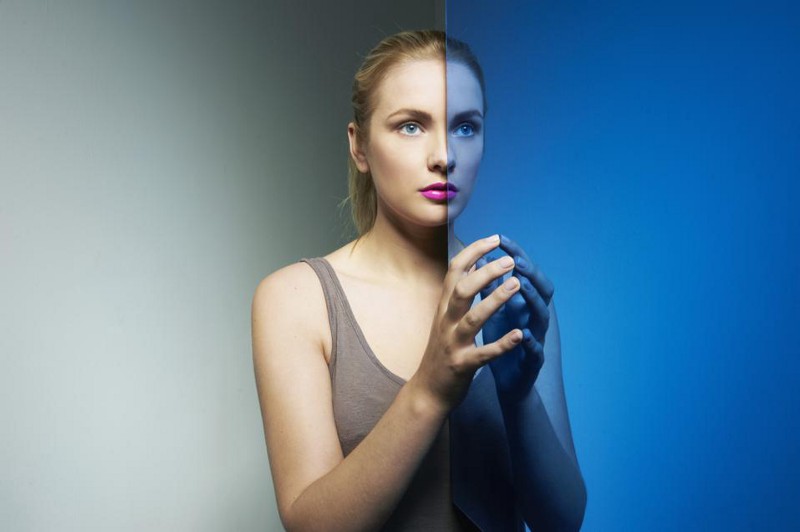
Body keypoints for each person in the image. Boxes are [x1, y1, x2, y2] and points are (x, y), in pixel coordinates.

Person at [252, 30, 587, 531]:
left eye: (465, 127)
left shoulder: (511, 295)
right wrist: (429, 390)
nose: (444, 156)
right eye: (411, 126)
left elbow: (562, 522)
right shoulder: (297, 300)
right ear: (359, 146)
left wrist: (519, 400)